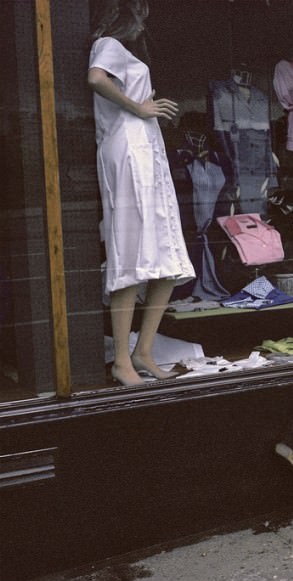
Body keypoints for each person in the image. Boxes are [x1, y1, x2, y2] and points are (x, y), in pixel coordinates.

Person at [88, 0, 195, 386]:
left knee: (165, 255)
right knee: (132, 255)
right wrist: (139, 108)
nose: (142, 26)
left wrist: (141, 113)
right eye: (139, 18)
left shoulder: (122, 50)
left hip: (145, 150)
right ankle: (122, 360)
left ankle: (143, 350)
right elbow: (97, 79)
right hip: (129, 150)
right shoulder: (108, 45)